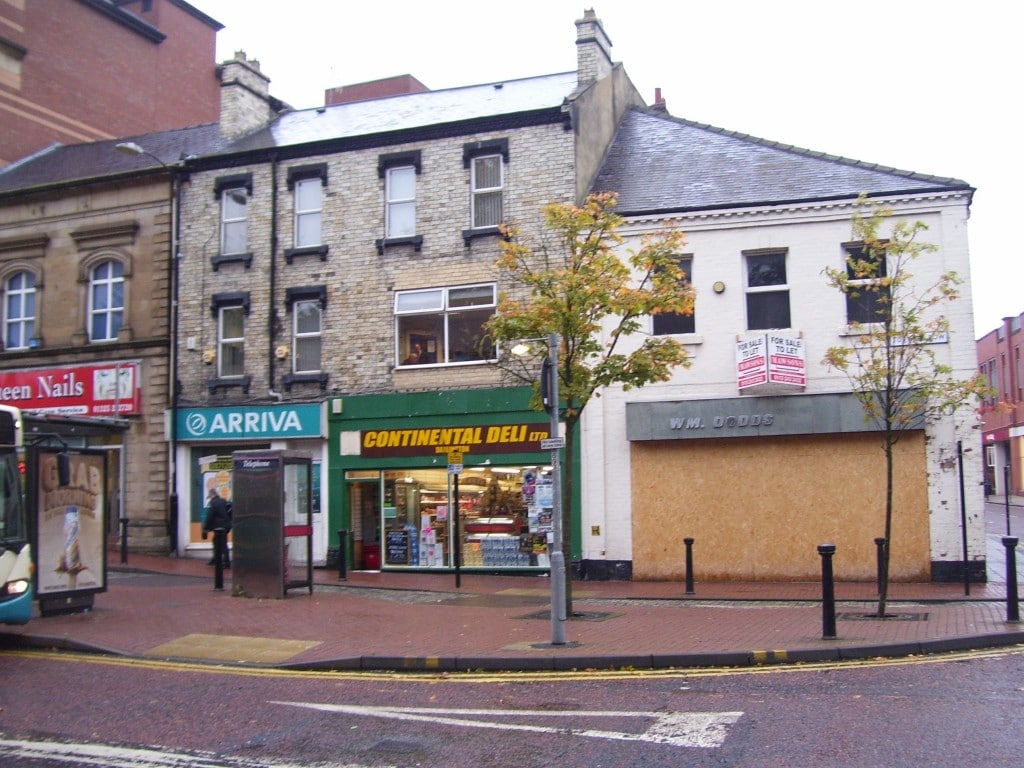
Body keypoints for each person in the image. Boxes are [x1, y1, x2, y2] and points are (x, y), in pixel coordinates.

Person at [203, 487, 232, 570]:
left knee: (222, 543)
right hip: (226, 525)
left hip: (220, 527)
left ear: (212, 495)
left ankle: (226, 562)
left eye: (210, 496)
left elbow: (210, 516)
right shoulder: (223, 501)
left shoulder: (214, 503)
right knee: (217, 541)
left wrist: (206, 527)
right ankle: (216, 559)